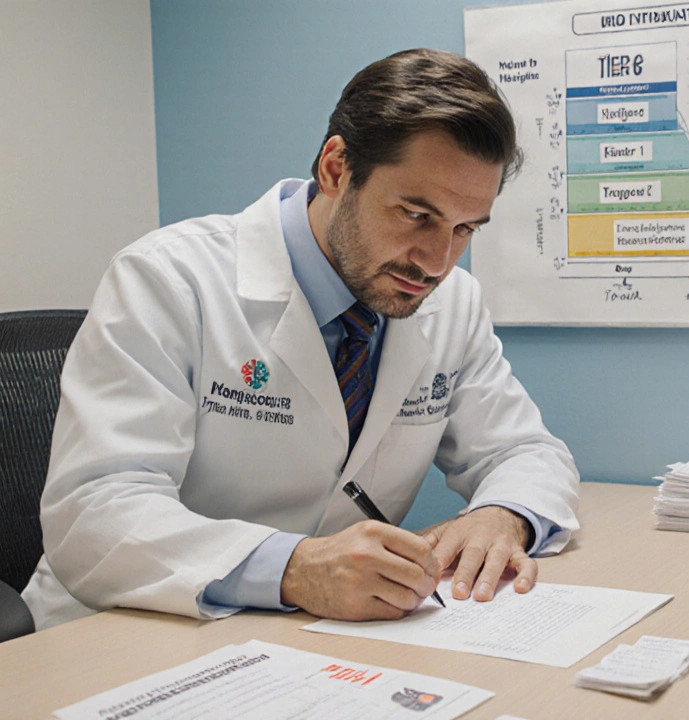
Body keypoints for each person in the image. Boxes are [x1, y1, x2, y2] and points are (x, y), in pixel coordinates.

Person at [22, 48, 580, 630]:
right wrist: (296, 567)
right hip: (124, 629)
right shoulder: (169, 279)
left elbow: (525, 451)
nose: (437, 262)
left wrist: (502, 514)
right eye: (417, 215)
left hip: (309, 643)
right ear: (336, 168)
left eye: (464, 228)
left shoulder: (453, 303)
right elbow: (93, 514)